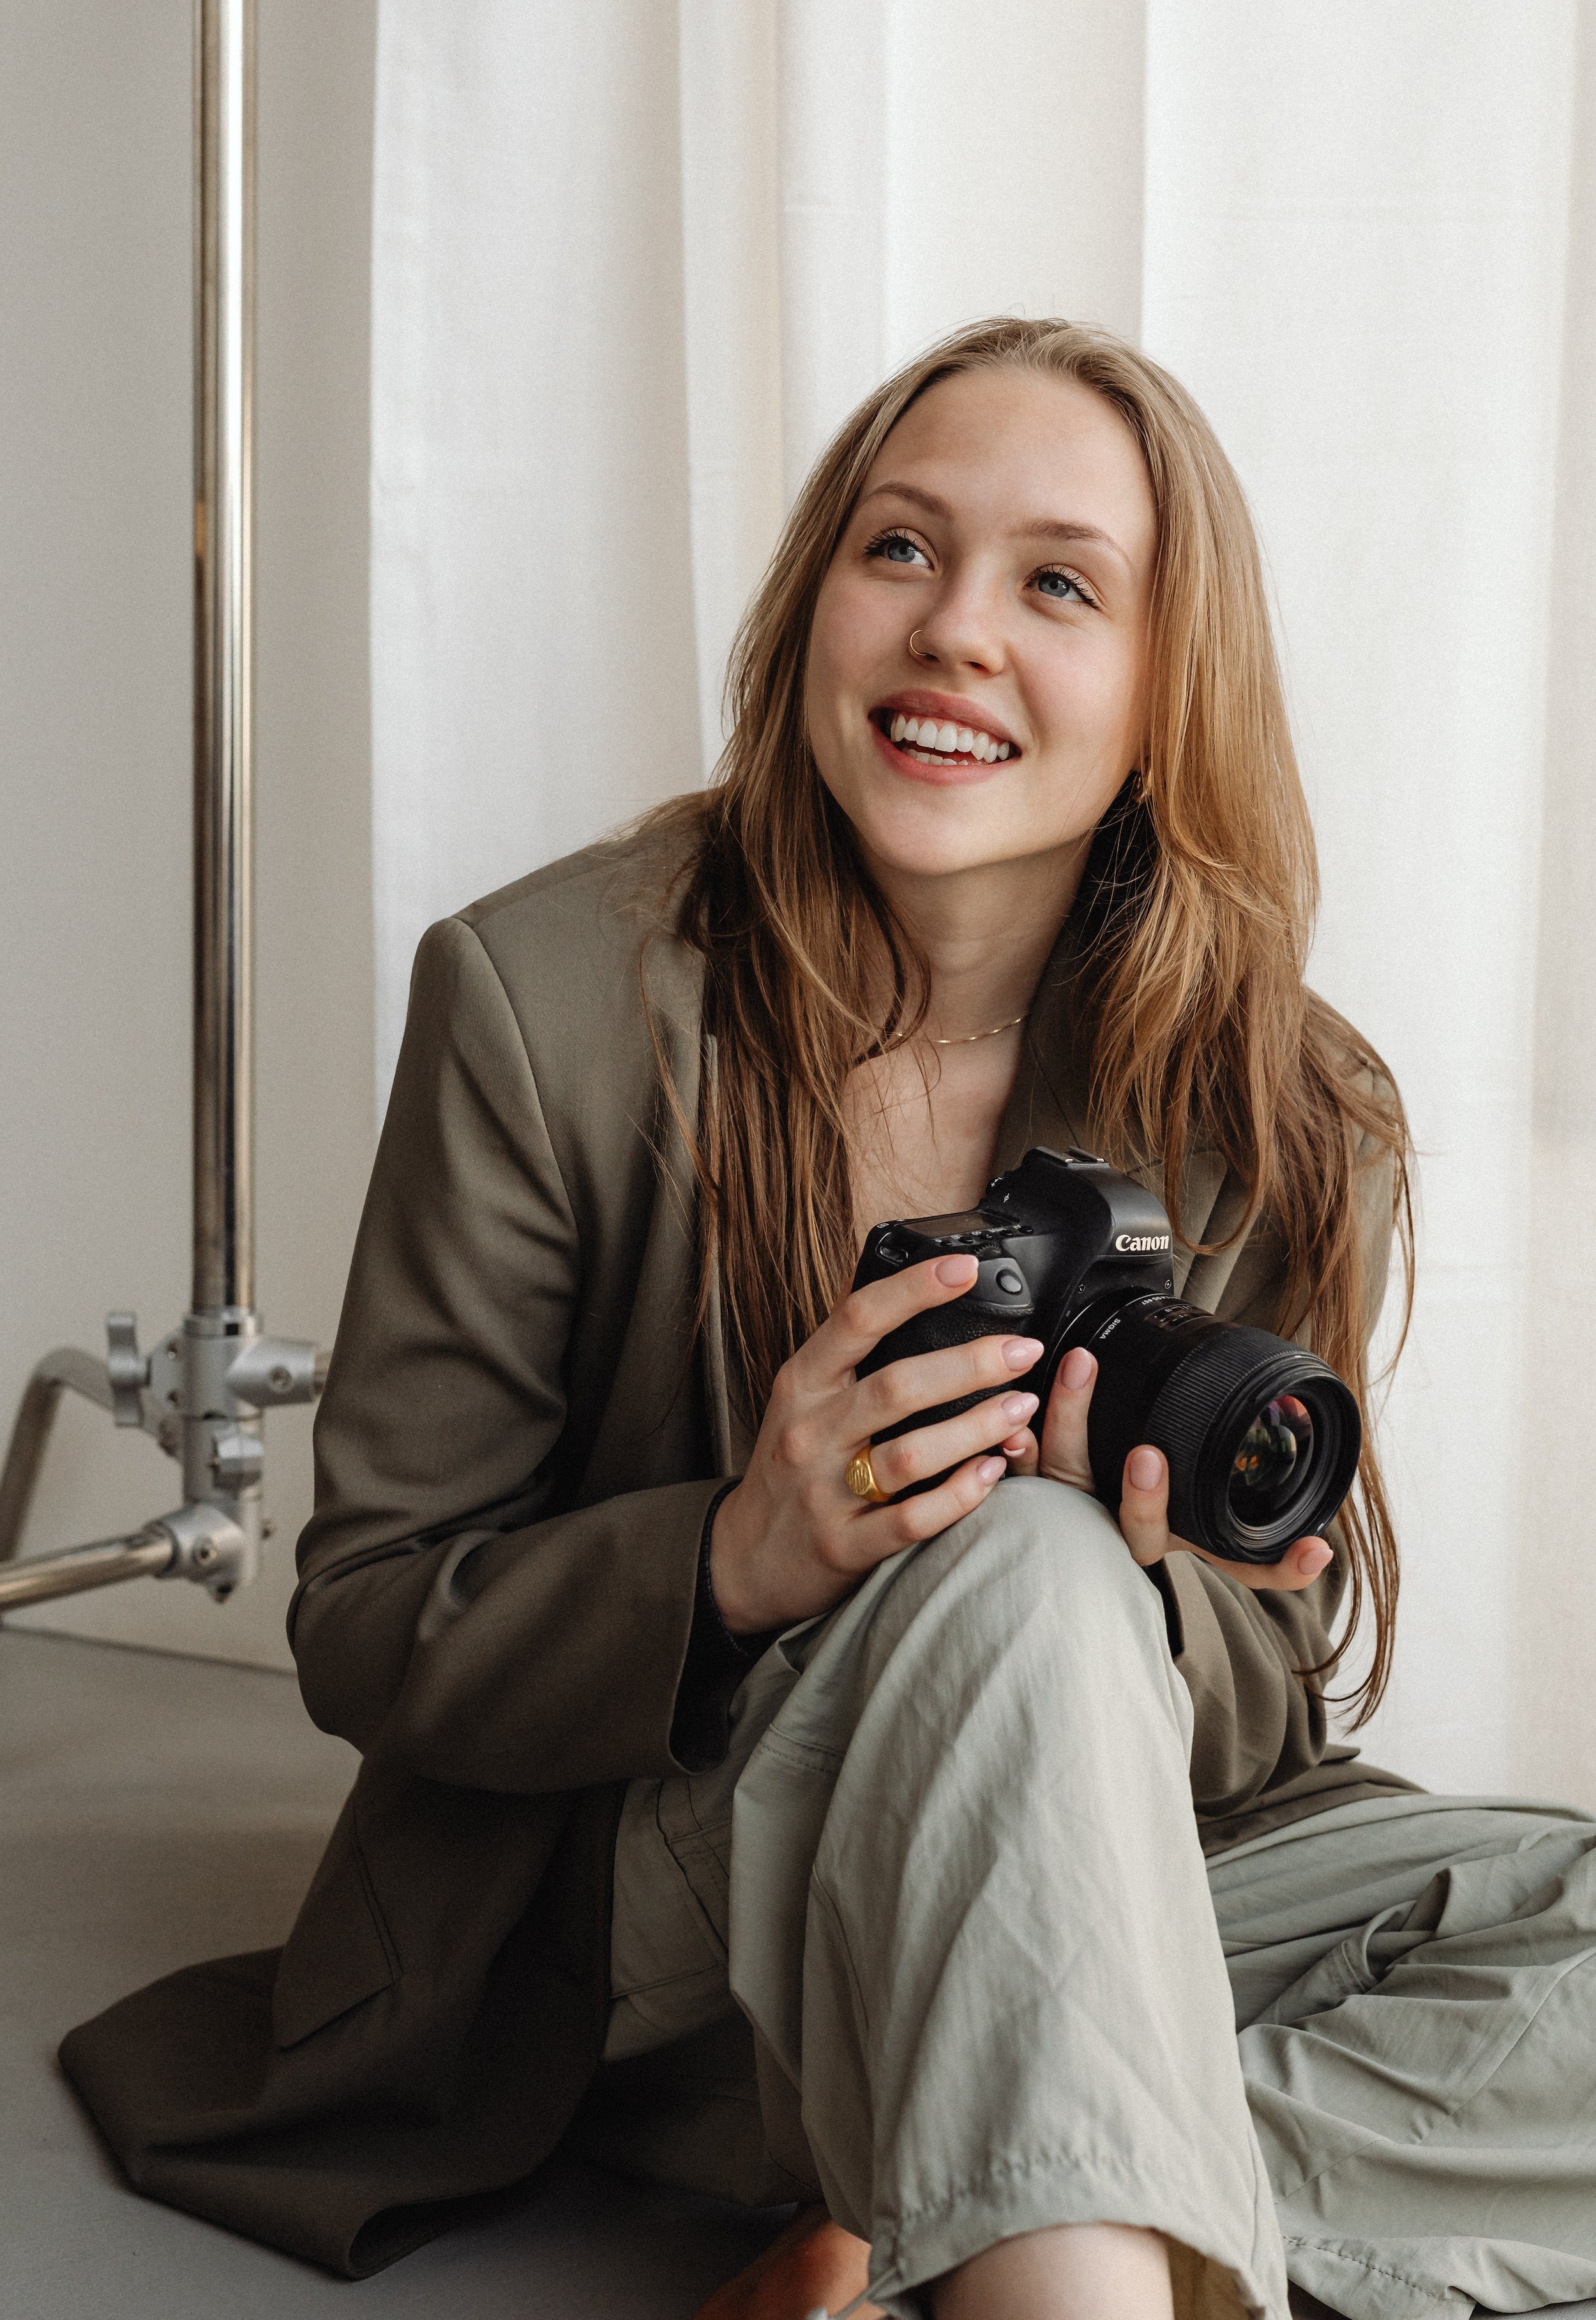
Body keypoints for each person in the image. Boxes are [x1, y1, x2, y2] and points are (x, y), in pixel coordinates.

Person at [61, 320, 1596, 2320]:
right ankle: (1054, 2224)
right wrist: (733, 1558)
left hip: (1101, 1895)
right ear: (812, 604)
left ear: (1166, 689)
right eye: (900, 548)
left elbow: (1259, 1704)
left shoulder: (1284, 1100)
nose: (956, 628)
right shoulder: (547, 1003)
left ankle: (925, 2240)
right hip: (670, 1937)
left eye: (1058, 584)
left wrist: (1151, 1591)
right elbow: (367, 1619)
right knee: (1022, 1564)